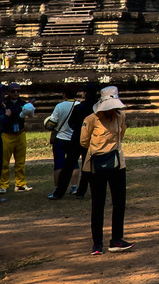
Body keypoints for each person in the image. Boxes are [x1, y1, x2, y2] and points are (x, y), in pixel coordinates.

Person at [81, 85, 132, 255]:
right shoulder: (91, 119)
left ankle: (116, 239)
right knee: (98, 204)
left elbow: (121, 136)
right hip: (96, 165)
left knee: (119, 202)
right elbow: (84, 141)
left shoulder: (120, 116)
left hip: (117, 164)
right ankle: (97, 243)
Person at [49, 83, 98, 200]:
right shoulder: (97, 108)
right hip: (92, 139)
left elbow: (71, 123)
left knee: (68, 166)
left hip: (77, 138)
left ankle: (59, 192)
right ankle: (81, 191)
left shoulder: (79, 108)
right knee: (88, 166)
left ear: (85, 94)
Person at [0, 82, 36, 193]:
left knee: (20, 161)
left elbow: (29, 114)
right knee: (4, 162)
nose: (16, 93)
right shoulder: (3, 103)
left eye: (18, 91)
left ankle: (20, 183)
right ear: (8, 92)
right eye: (13, 91)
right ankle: (3, 184)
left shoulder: (22, 103)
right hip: (7, 134)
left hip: (20, 133)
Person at [44, 84, 79, 196]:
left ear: (64, 94)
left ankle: (57, 188)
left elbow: (52, 123)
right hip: (74, 138)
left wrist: (47, 125)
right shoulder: (78, 105)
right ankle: (74, 187)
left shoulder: (60, 106)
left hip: (61, 138)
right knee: (74, 163)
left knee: (59, 164)